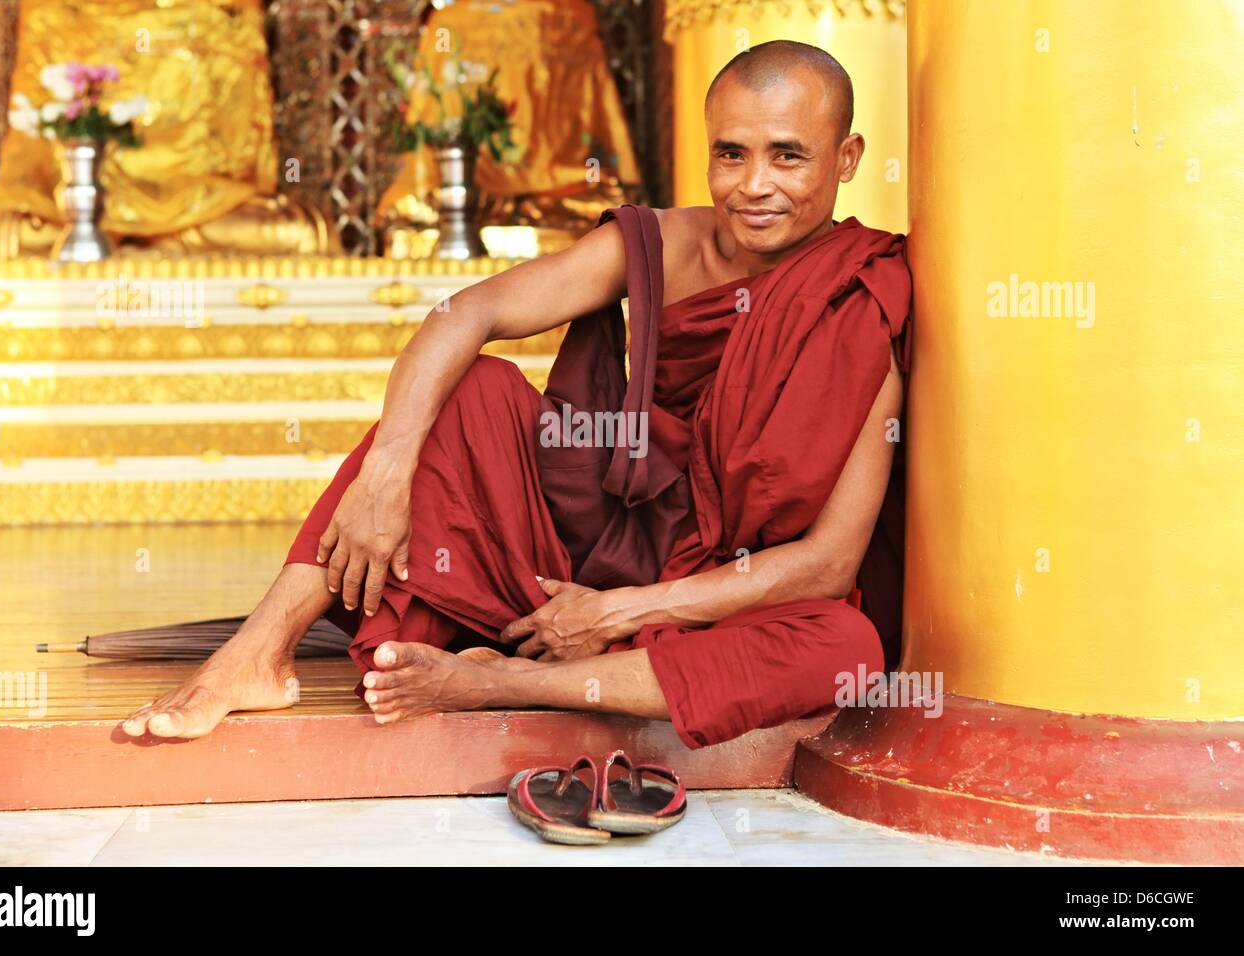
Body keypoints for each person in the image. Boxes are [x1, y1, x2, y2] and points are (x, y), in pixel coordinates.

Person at [122, 39, 911, 750]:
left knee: (847, 647)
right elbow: (470, 312)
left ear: (846, 159)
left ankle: (491, 681)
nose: (754, 186)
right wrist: (386, 478)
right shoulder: (668, 243)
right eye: (731, 155)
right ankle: (260, 649)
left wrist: (620, 612)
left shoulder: (862, 298)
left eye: (788, 157)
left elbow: (825, 561)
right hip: (574, 563)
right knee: (474, 391)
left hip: (711, 605)